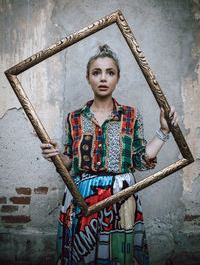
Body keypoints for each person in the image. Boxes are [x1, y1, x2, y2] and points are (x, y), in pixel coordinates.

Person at [40, 45, 178, 265]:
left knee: (118, 253)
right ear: (88, 78)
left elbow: (140, 160)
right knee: (80, 254)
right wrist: (56, 155)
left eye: (110, 72)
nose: (103, 78)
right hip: (80, 196)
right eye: (96, 72)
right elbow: (71, 163)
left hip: (121, 197)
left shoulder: (131, 115)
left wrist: (163, 132)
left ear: (118, 77)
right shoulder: (74, 118)